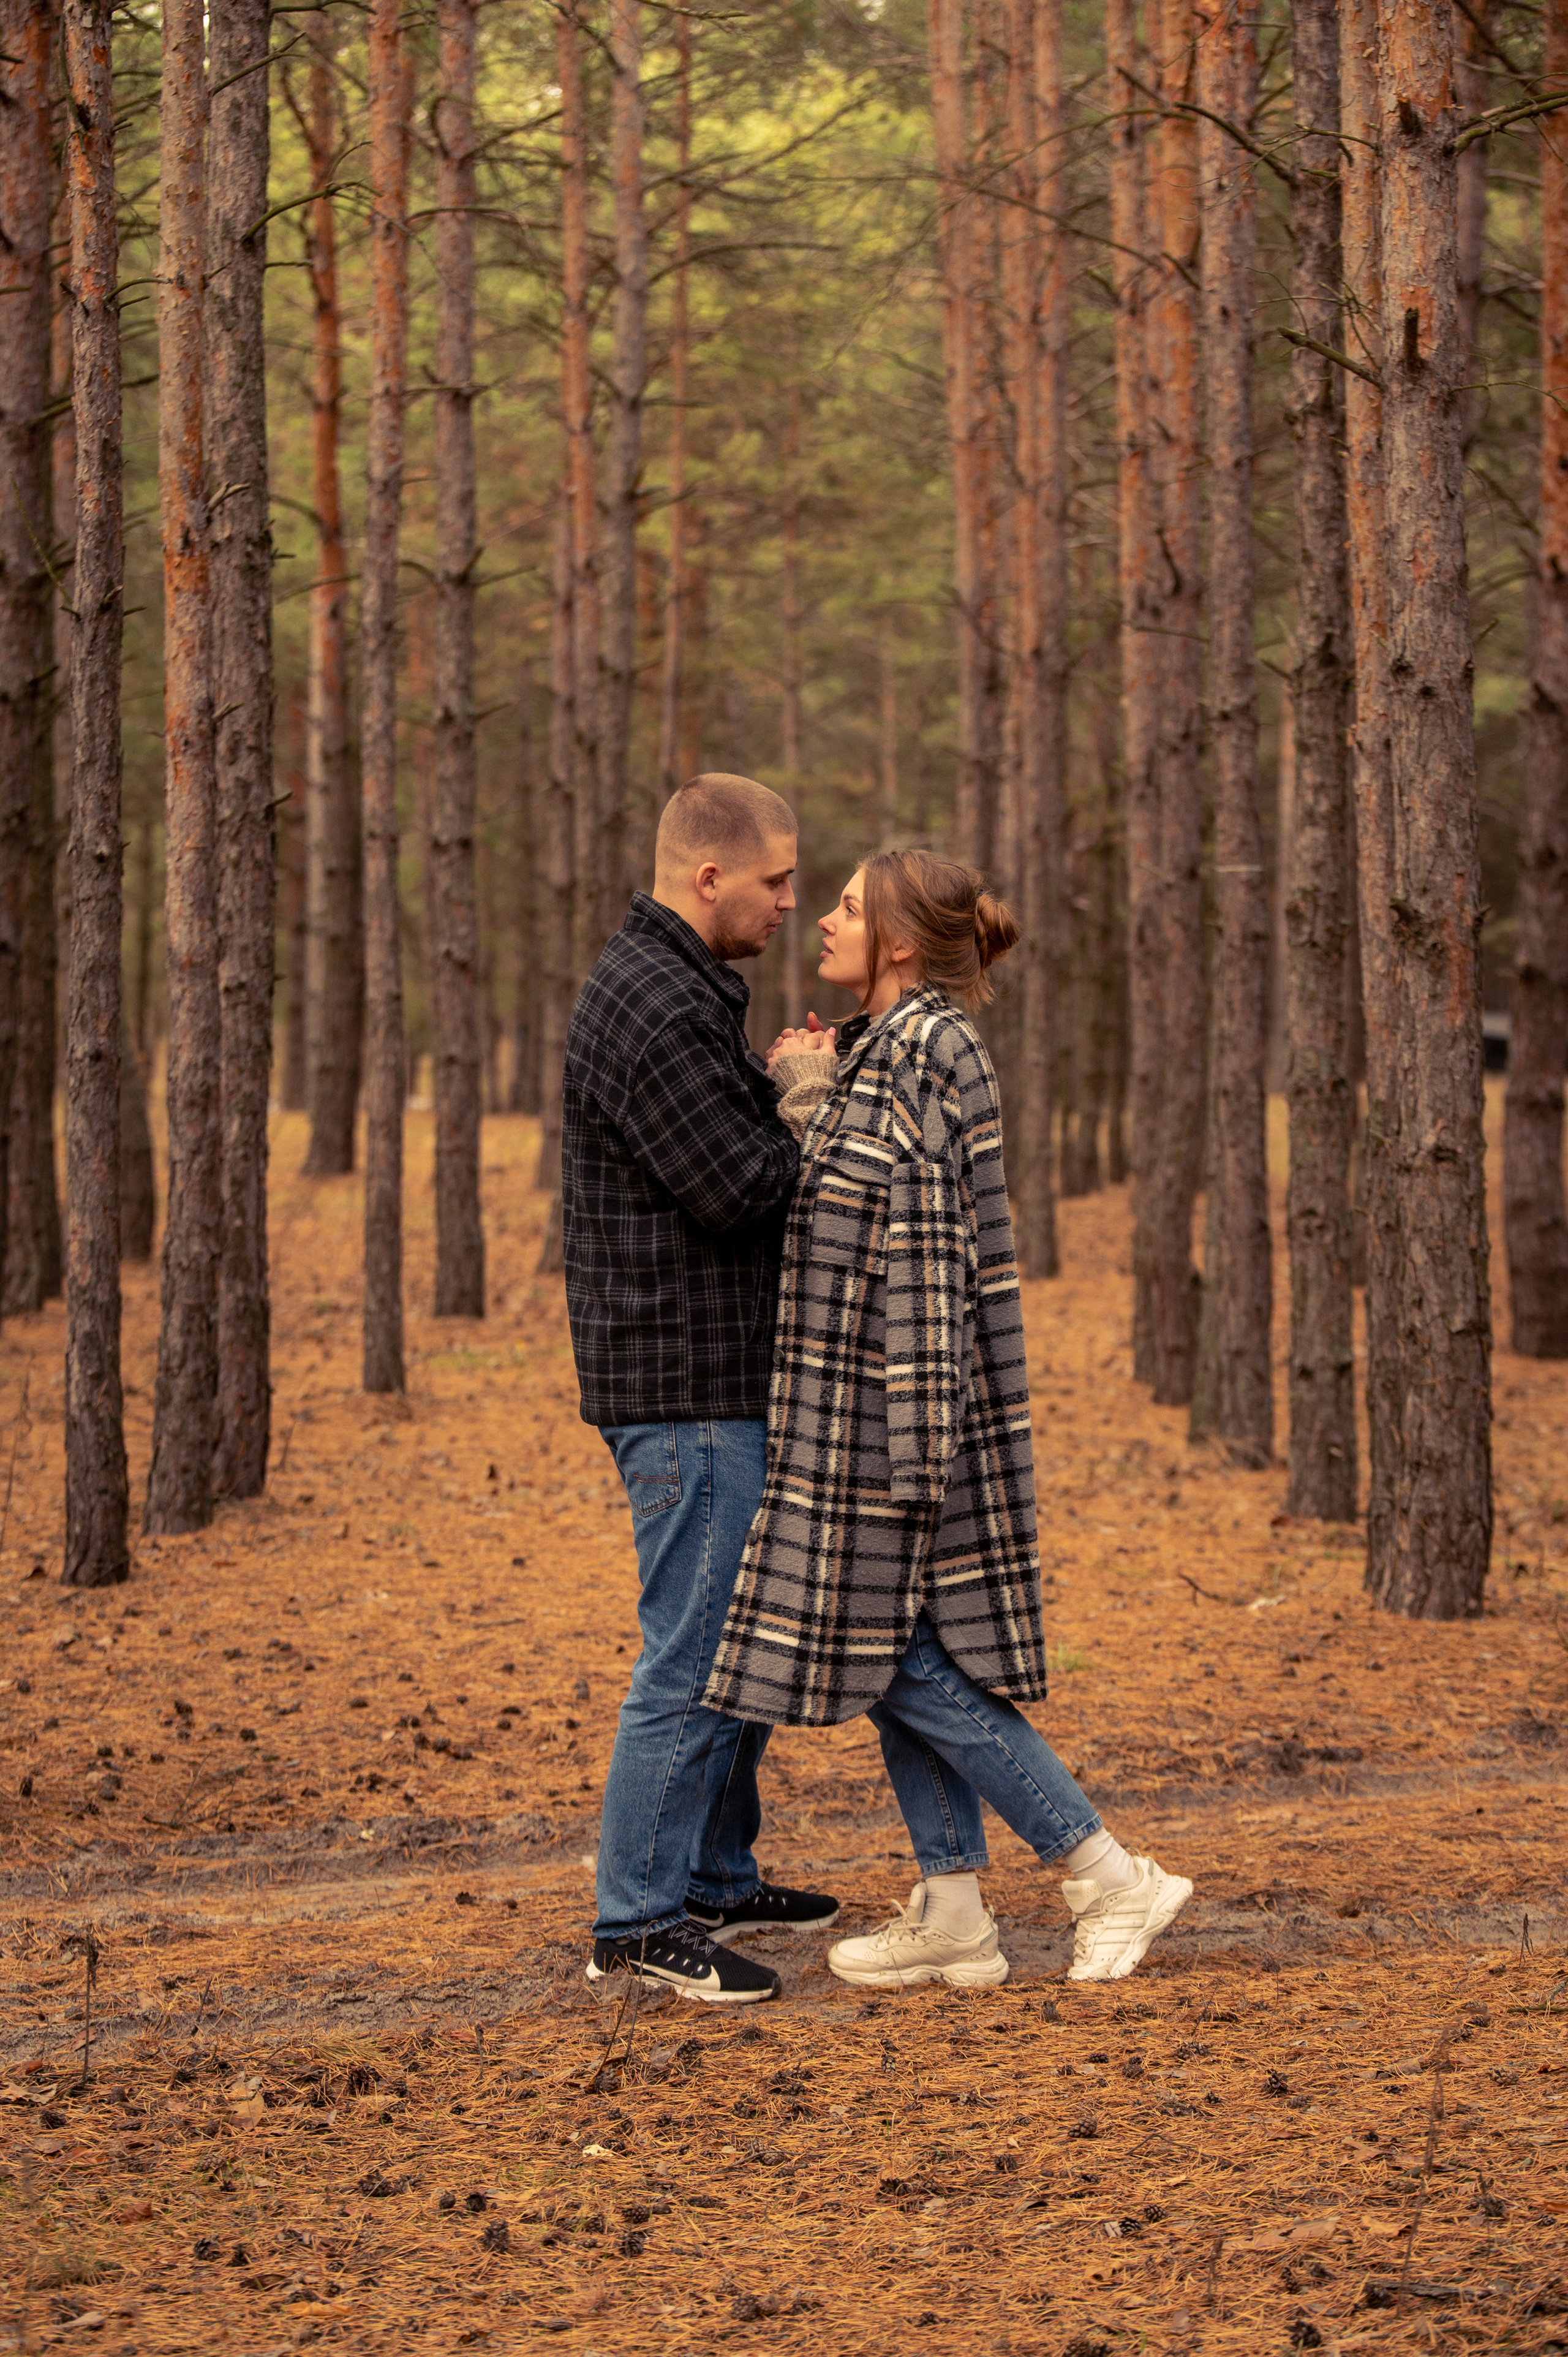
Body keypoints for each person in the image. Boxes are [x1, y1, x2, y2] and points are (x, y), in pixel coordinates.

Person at [705, 848, 1192, 1988]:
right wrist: (820, 1094)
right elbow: (859, 1206)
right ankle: (956, 1906)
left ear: (903, 944)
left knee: (907, 1655)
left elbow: (919, 1254)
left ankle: (1107, 1874)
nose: (823, 921)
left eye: (849, 909)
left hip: (893, 1417)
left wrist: (916, 1452)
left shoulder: (928, 1047)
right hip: (866, 1408)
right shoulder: (894, 1044)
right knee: (891, 1654)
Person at [562, 773, 840, 2005]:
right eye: (777, 881)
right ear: (708, 875)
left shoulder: (678, 988)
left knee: (733, 1643)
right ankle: (636, 1923)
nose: (793, 902)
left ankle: (717, 1875)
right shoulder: (657, 1006)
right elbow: (738, 1188)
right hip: (682, 1384)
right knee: (692, 1656)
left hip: (706, 1372)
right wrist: (805, 1104)